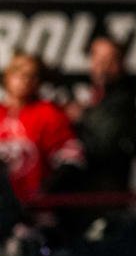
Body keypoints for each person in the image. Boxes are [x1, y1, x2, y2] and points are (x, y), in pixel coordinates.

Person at [68, 35, 136, 195]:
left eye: (110, 59)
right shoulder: (88, 93)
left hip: (105, 189)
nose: (102, 65)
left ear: (121, 63)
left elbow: (103, 145)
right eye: (96, 57)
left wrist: (83, 116)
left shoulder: (124, 97)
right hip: (79, 186)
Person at [0, 52, 84, 202]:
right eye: (19, 72)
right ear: (7, 76)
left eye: (32, 75)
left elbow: (72, 160)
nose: (25, 79)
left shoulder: (48, 113)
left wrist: (43, 194)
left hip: (36, 210)